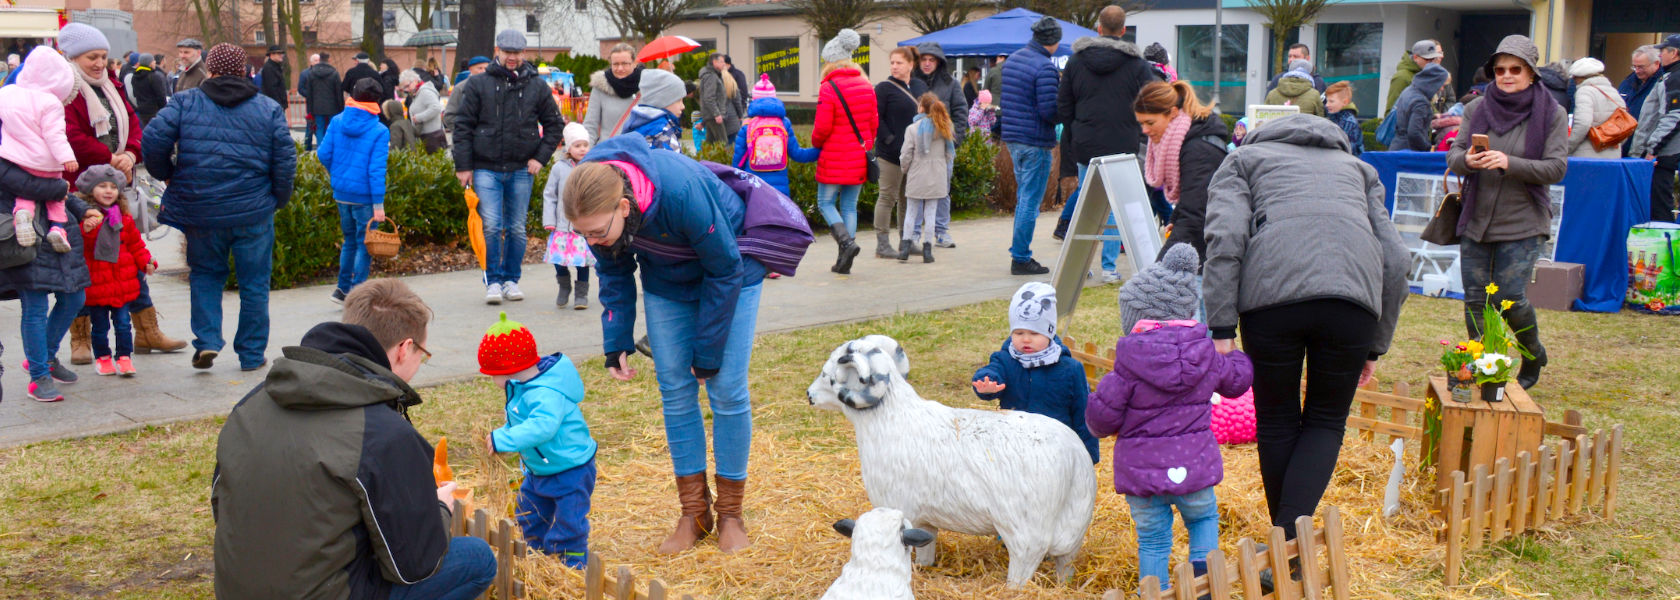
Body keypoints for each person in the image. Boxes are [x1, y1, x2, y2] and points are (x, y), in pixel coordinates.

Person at [212, 278, 498, 599]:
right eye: (423, 354)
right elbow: (414, 565)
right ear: (405, 349)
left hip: (236, 588)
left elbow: (220, 506)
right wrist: (439, 509)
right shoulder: (382, 432)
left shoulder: (250, 403)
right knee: (477, 558)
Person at [1204, 112, 1409, 559]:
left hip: (1271, 301)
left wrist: (1221, 326)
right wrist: (1376, 343)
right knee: (1325, 420)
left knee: (1277, 420)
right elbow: (1395, 258)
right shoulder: (1359, 169)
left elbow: (1224, 239)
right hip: (1353, 303)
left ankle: (1284, 548)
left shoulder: (1244, 161)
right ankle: (1289, 549)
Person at [561, 133, 766, 556]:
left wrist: (707, 352)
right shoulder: (595, 206)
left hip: (731, 272)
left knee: (725, 390)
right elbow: (614, 270)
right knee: (674, 391)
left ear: (623, 207)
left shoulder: (680, 190)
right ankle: (694, 513)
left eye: (599, 232)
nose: (593, 242)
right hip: (666, 280)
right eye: (586, 236)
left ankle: (731, 515)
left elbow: (724, 269)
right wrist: (617, 339)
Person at [1086, 244, 1253, 591]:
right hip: (1194, 468)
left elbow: (1100, 422)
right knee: (1204, 519)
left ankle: (1155, 591)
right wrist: (1233, 354)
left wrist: (1095, 406)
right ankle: (1204, 587)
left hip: (1143, 477)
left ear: (1135, 319)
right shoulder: (1206, 355)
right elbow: (1238, 382)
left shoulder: (1126, 367)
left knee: (1154, 540)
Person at [142, 43, 296, 372]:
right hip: (253, 211)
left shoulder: (186, 102)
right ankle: (252, 354)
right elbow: (285, 161)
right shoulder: (267, 108)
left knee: (206, 276)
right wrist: (277, 200)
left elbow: (153, 139)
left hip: (203, 210)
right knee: (254, 284)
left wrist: (167, 174)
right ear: (243, 70)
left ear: (210, 69)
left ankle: (208, 341)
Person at [1447, 35, 1567, 389]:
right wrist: (1467, 160)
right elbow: (1453, 156)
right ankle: (1482, 368)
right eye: (1500, 70)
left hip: (1525, 220)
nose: (1507, 75)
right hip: (1477, 219)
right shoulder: (1475, 109)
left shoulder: (1551, 113)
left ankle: (1533, 353)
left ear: (1531, 73)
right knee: (1475, 300)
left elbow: (1556, 168)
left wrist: (1508, 162)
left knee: (1509, 299)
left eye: (1516, 69)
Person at [452, 30, 565, 304]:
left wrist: (540, 157)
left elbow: (555, 125)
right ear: (497, 50)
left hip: (521, 168)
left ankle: (511, 279)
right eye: (507, 52)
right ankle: (493, 281)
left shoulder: (537, 86)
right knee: (491, 226)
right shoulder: (478, 84)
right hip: (485, 167)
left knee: (516, 227)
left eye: (517, 53)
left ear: (524, 53)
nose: (512, 57)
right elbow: (463, 126)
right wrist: (463, 166)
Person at [478, 311, 597, 568]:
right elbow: (524, 424)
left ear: (508, 370)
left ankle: (572, 566)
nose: (491, 379)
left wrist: (504, 439)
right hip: (540, 469)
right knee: (528, 515)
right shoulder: (523, 387)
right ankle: (532, 558)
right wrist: (504, 435)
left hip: (571, 469)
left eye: (492, 373)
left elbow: (542, 427)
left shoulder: (545, 392)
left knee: (569, 524)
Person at [1053, 5, 1157, 277]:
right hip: (1123, 141)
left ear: (1098, 28)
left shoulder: (1076, 61)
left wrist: (1075, 130)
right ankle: (1109, 267)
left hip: (1086, 141)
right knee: (1114, 205)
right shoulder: (1137, 65)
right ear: (1123, 30)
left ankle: (1081, 266)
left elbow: (1063, 104)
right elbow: (1151, 100)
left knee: (1087, 201)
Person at [0, 149, 104, 402]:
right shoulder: (7, 148)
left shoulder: (41, 140)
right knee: (34, 307)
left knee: (75, 299)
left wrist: (81, 208)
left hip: (60, 233)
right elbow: (35, 184)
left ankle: (45, 355)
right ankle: (39, 376)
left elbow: (57, 186)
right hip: (26, 235)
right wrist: (60, 185)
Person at [970, 281, 1100, 464]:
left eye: (1034, 333)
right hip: (1015, 448)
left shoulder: (1070, 369)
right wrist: (987, 384)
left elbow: (1083, 414)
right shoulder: (1005, 360)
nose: (1026, 339)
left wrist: (1089, 456)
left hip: (1057, 452)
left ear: (1049, 333)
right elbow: (992, 372)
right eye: (1018, 333)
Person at [1136, 80, 1228, 265]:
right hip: (1207, 245)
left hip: (1212, 252)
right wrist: (1176, 218)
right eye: (1141, 123)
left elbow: (1195, 213)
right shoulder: (1190, 139)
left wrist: (1159, 267)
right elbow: (1193, 196)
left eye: (1150, 122)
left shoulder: (1198, 149)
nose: (1144, 130)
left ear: (1172, 113)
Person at [75, 165, 154, 377]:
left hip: (121, 283)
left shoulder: (123, 218)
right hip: (98, 285)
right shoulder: (84, 218)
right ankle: (103, 358)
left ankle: (124, 357)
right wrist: (87, 230)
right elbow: (80, 248)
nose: (109, 191)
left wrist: (146, 261)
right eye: (102, 186)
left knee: (123, 324)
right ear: (90, 190)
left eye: (113, 187)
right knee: (100, 327)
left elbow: (136, 244)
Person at [318, 79, 392, 304]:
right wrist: (379, 206)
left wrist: (338, 175)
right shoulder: (379, 130)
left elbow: (323, 154)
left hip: (342, 193)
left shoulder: (337, 121)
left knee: (349, 241)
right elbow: (376, 170)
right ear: (376, 101)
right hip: (366, 198)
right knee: (364, 244)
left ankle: (341, 290)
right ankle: (358, 296)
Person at [1000, 16, 1063, 276]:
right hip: (1035, 141)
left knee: (1023, 197)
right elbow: (1049, 111)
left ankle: (1019, 252)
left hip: (1013, 138)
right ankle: (1021, 257)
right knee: (1029, 201)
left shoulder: (1013, 60)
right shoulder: (1045, 68)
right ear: (1055, 41)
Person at [0, 47, 78, 252]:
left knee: (25, 195)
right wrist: (66, 157)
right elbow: (55, 135)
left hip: (14, 156)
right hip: (46, 161)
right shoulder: (51, 103)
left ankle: (23, 215)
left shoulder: (7, 94)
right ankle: (58, 227)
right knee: (56, 193)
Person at [811, 29, 875, 275]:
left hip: (834, 156)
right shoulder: (867, 84)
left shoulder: (829, 87)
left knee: (825, 202)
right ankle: (844, 259)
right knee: (849, 206)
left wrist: (816, 143)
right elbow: (873, 124)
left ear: (830, 61)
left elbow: (822, 127)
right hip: (859, 155)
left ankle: (847, 244)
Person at [873, 46, 929, 259]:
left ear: (910, 65)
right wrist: (889, 139)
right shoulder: (884, 88)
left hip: (914, 154)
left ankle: (906, 241)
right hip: (890, 154)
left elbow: (927, 115)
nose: (895, 67)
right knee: (887, 197)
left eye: (899, 63)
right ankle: (882, 244)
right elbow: (876, 118)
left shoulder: (919, 86)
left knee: (909, 198)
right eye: (892, 63)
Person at [912, 41, 969, 249]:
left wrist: (957, 137)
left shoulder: (950, 83)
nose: (927, 63)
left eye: (931, 59)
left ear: (938, 62)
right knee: (916, 192)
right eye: (924, 59)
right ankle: (915, 234)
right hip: (918, 146)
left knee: (942, 190)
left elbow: (962, 110)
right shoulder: (911, 81)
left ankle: (942, 232)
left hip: (943, 147)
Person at [733, 74, 819, 199]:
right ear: (774, 98)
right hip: (780, 187)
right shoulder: (784, 123)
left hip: (755, 184)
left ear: (754, 99)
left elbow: (738, 163)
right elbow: (797, 154)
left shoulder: (747, 125)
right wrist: (820, 151)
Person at [543, 123, 596, 309]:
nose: (582, 149)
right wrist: (549, 221)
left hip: (583, 227)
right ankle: (564, 286)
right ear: (568, 147)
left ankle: (582, 294)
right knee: (559, 260)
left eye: (585, 145)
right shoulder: (559, 168)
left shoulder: (592, 166)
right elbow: (550, 195)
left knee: (582, 263)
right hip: (562, 226)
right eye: (577, 145)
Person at [897, 93, 954, 263]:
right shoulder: (944, 128)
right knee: (931, 213)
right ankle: (927, 250)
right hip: (937, 175)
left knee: (911, 211)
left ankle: (905, 247)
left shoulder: (912, 129)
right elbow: (949, 154)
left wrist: (904, 168)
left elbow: (906, 154)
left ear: (922, 108)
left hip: (917, 173)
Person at [1631, 34, 1680, 223]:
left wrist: (1653, 149)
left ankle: (1663, 249)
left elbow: (1674, 116)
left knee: (1659, 206)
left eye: (1662, 51)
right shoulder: (1670, 76)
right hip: (1664, 152)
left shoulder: (1675, 78)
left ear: (1674, 53)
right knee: (1657, 204)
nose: (1659, 55)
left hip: (1662, 154)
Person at [1566, 57, 1627, 159]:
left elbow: (1583, 123)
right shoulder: (1614, 92)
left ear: (1580, 77)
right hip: (1613, 155)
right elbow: (1625, 125)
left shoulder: (1585, 91)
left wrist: (1568, 147)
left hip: (1588, 155)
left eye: (1574, 78)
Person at [618, 68, 687, 153]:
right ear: (663, 101)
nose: (683, 106)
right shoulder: (663, 133)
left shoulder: (635, 124)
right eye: (678, 100)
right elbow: (673, 164)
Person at [583, 43, 641, 143]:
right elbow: (590, 126)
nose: (620, 68)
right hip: (609, 152)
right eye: (616, 64)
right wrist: (587, 154)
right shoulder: (600, 88)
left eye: (624, 63)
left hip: (638, 152)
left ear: (634, 63)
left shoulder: (646, 87)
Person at [1390, 63, 1450, 151]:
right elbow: (1414, 133)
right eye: (1442, 85)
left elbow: (1407, 116)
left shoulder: (1409, 90)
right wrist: (1428, 148)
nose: (1442, 89)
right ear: (1433, 82)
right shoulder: (1421, 102)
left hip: (1398, 145)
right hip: (1410, 152)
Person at [298, 52, 343, 152]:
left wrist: (310, 109)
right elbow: (338, 92)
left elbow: (309, 92)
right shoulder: (334, 73)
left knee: (319, 128)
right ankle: (333, 149)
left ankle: (321, 150)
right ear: (329, 60)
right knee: (333, 129)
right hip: (333, 107)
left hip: (317, 107)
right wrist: (341, 108)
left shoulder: (311, 73)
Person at [1385, 39, 1442, 115]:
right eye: (1427, 59)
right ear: (1415, 57)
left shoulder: (1425, 75)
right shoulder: (1402, 77)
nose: (1431, 62)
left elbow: (1427, 105)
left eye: (1433, 59)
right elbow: (1391, 112)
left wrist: (1436, 116)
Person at [697, 53, 742, 149]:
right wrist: (717, 114)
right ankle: (723, 163)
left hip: (711, 116)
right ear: (714, 62)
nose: (723, 64)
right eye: (721, 62)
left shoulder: (713, 75)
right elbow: (709, 97)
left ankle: (705, 162)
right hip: (714, 117)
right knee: (723, 143)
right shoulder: (711, 76)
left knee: (710, 144)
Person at [398, 69, 446, 152]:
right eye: (404, 88)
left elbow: (436, 108)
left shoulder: (425, 92)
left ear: (415, 81)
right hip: (426, 137)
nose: (407, 90)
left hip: (432, 137)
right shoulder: (417, 93)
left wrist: (418, 118)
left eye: (407, 86)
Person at [1324, 81, 1365, 156]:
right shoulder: (1334, 119)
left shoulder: (1349, 122)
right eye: (1327, 101)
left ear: (1345, 102)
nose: (1327, 105)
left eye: (1331, 101)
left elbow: (1347, 150)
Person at [130, 54, 169, 125]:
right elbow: (161, 96)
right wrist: (165, 110)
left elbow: (135, 94)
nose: (154, 62)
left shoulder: (134, 77)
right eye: (153, 61)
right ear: (149, 63)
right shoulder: (154, 76)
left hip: (142, 112)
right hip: (156, 112)